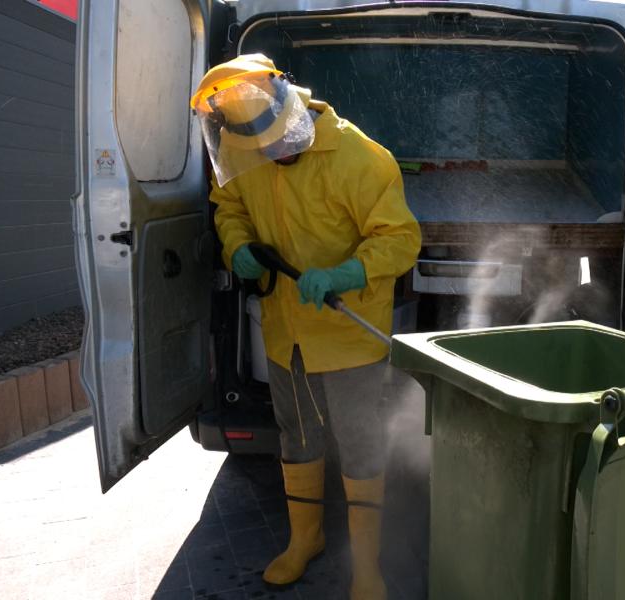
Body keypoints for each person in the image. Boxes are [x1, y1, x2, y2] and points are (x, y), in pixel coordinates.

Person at [190, 54, 421, 599]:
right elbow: (229, 206)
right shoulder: (243, 148)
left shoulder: (359, 157)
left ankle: (367, 566)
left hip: (348, 337)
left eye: (279, 145)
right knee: (296, 438)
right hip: (284, 332)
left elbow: (401, 238)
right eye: (261, 150)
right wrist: (238, 246)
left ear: (290, 110)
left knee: (360, 447)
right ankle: (305, 540)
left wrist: (348, 272)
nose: (273, 155)